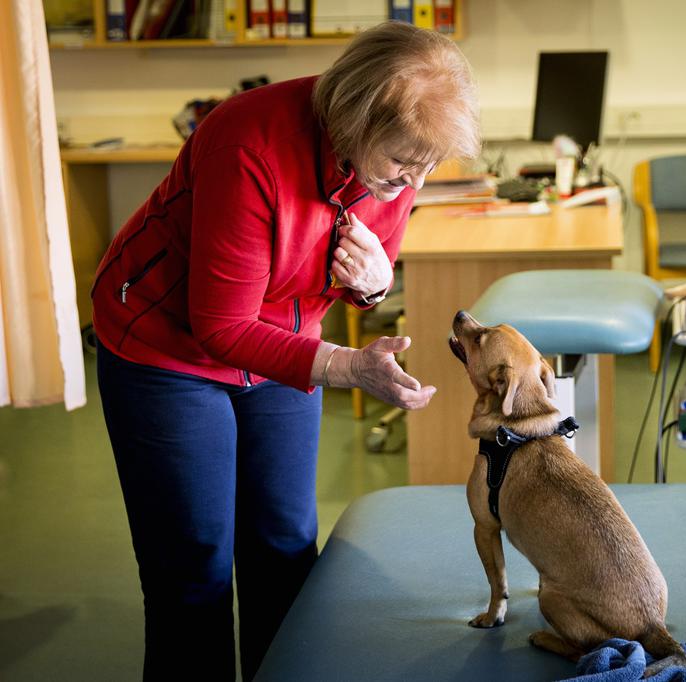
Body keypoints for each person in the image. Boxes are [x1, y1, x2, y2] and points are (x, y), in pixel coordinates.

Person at [91, 22, 480, 681]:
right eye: (403, 163)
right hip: (167, 350)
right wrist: (345, 366)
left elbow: (360, 263)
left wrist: (378, 282)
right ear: (352, 122)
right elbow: (220, 326)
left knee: (286, 549)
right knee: (194, 566)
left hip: (284, 343)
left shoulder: (402, 151)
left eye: (428, 163)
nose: (415, 177)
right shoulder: (249, 140)